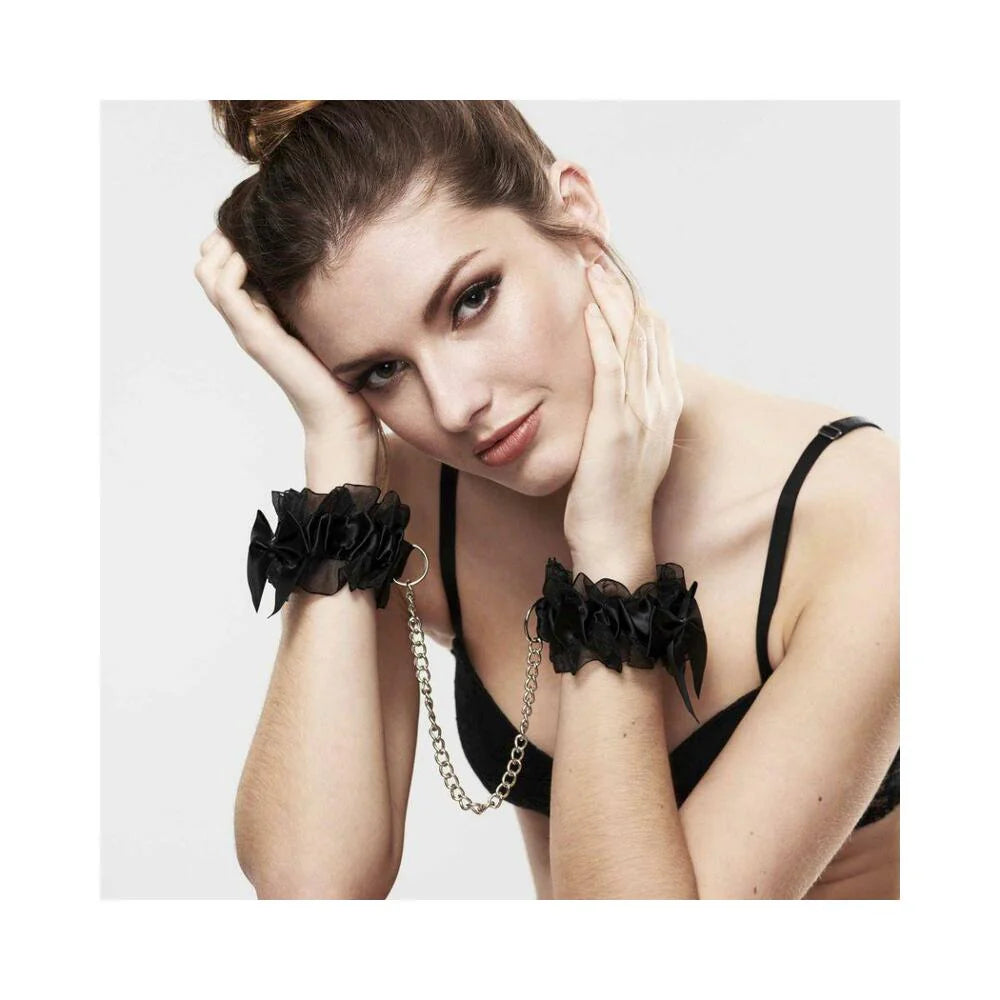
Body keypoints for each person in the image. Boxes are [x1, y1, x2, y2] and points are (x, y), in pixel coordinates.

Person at [194, 100, 899, 900]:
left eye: (471, 300)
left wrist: (612, 550)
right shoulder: (409, 501)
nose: (456, 405)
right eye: (382, 371)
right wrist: (338, 450)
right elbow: (309, 890)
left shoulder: (863, 518)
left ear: (576, 212)